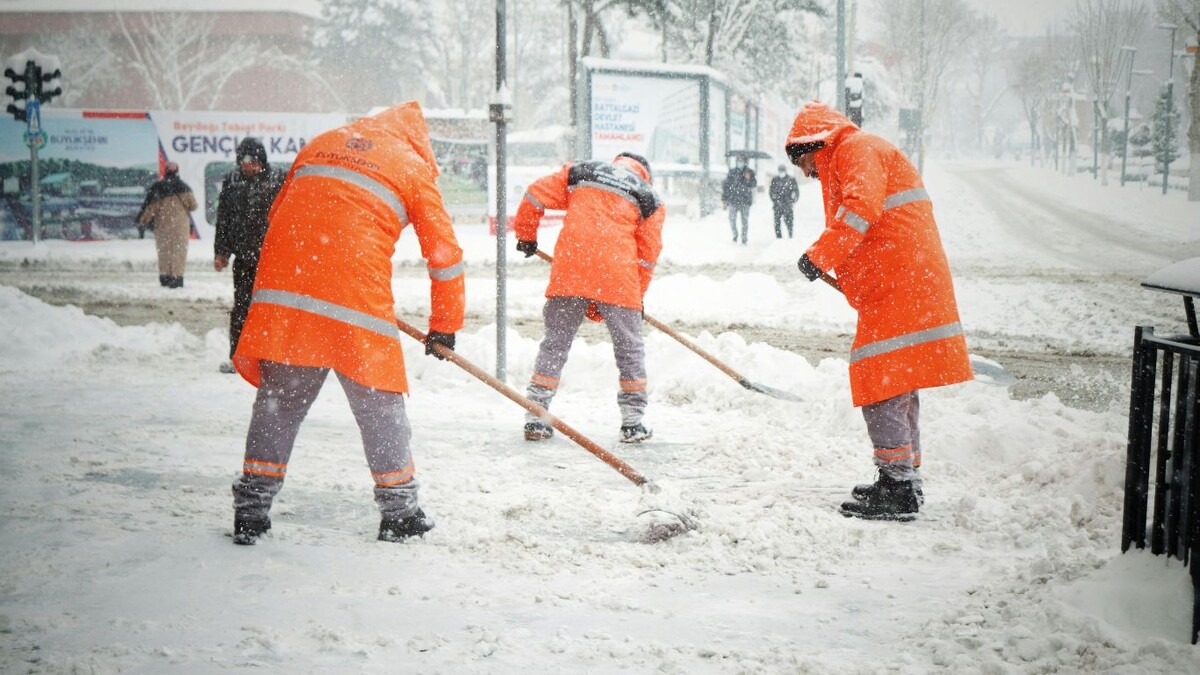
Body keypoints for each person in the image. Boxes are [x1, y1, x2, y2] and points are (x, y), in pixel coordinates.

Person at [227, 102, 465, 545]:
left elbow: (278, 214)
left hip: (288, 286)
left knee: (278, 405)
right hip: (354, 294)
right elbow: (446, 256)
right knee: (380, 407)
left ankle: (251, 512)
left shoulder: (321, 143)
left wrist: (313, 276)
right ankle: (400, 512)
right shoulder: (411, 165)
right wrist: (445, 325)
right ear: (417, 139)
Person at [785, 100, 972, 522]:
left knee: (880, 377)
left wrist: (820, 255)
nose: (810, 175)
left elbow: (860, 210)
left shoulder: (855, 150)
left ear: (815, 145)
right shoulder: (859, 151)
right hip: (903, 279)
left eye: (807, 165)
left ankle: (897, 488)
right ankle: (905, 479)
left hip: (900, 281)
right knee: (896, 376)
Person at [513, 152, 665, 444]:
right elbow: (647, 258)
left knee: (554, 344)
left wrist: (526, 235)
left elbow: (535, 194)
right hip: (618, 276)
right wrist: (636, 298)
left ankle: (535, 416)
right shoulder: (650, 198)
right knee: (629, 350)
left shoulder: (581, 172)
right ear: (645, 173)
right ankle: (633, 424)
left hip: (571, 268)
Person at [213, 138, 287, 374]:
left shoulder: (278, 179)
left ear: (262, 161)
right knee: (242, 308)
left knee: (273, 309)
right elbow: (224, 218)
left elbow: (290, 216)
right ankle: (238, 357)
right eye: (245, 161)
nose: (249, 166)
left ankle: (273, 357)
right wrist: (222, 252)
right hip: (244, 257)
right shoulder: (232, 181)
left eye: (254, 161)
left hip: (272, 257)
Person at [136, 162, 197, 288]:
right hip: (181, 227)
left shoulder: (158, 188)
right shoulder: (184, 187)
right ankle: (177, 278)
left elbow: (150, 209)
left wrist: (143, 220)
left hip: (162, 226)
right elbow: (193, 205)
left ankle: (165, 277)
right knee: (179, 252)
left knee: (164, 252)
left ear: (165, 172)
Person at [721, 163, 756, 244]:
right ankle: (735, 234)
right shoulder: (732, 172)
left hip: (745, 201)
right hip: (733, 200)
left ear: (745, 161)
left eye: (741, 160)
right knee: (731, 219)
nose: (740, 162)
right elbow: (726, 185)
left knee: (744, 221)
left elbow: (754, 184)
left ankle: (744, 238)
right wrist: (724, 198)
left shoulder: (749, 171)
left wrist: (748, 179)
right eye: (738, 160)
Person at [769, 164, 799, 239]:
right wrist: (774, 199)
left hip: (788, 204)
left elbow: (796, 191)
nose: (781, 172)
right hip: (777, 205)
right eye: (780, 171)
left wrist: (794, 199)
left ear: (785, 171)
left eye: (782, 171)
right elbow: (771, 191)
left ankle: (790, 235)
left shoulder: (791, 179)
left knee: (789, 221)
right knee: (777, 223)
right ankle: (779, 238)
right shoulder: (775, 179)